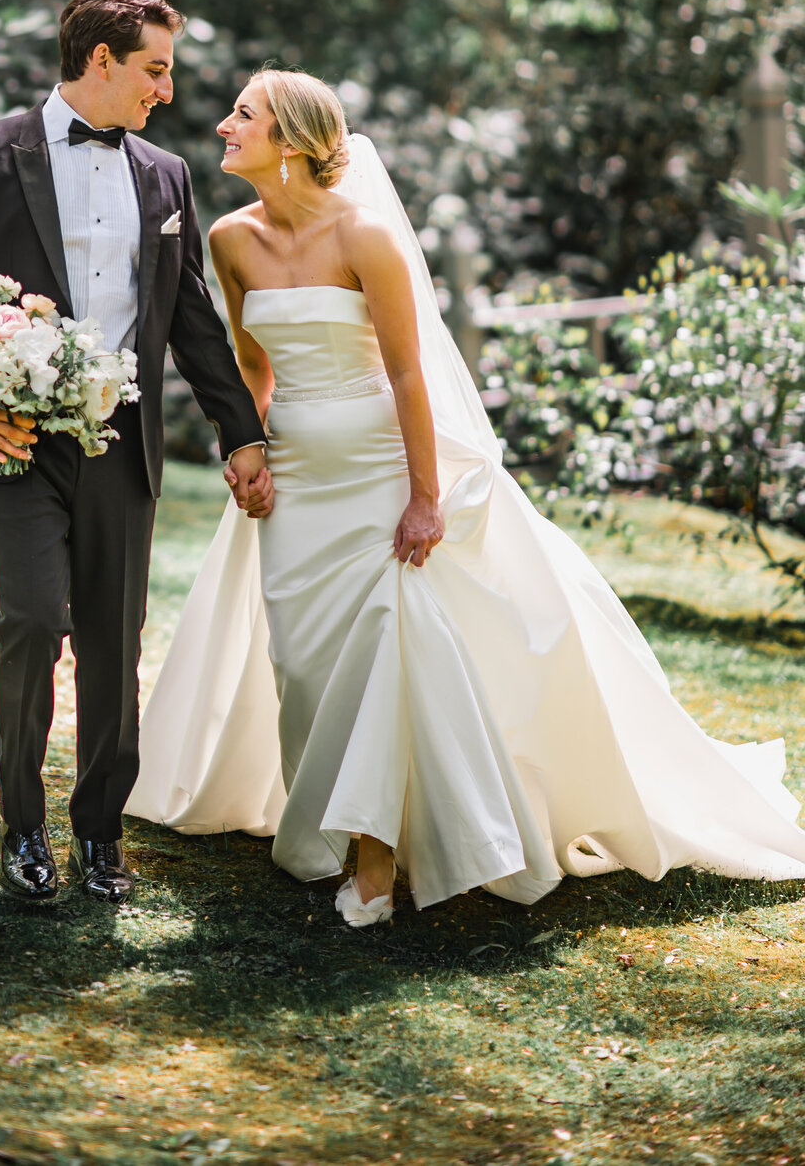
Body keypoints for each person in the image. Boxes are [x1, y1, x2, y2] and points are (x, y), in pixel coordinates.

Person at [127, 69, 805, 927]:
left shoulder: (364, 235)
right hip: (296, 485)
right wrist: (247, 447)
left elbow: (409, 371)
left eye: (244, 114)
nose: (224, 125)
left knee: (384, 646)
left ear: (292, 141)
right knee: (302, 663)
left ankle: (375, 863)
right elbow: (254, 362)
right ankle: (332, 820)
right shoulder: (229, 238)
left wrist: (423, 495)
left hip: (378, 476)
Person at [0, 0, 272, 907]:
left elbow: (193, 323)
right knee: (29, 621)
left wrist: (243, 433)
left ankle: (100, 836)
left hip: (120, 445)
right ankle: (22, 831)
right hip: (13, 440)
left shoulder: (167, 176)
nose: (167, 89)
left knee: (112, 643)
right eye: (155, 67)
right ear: (101, 59)